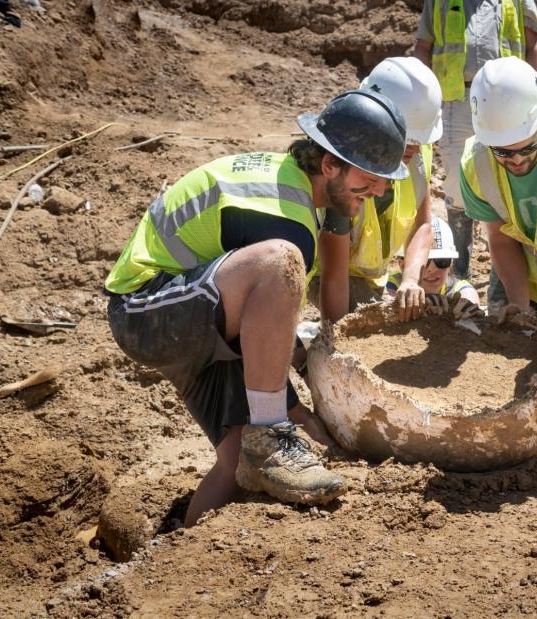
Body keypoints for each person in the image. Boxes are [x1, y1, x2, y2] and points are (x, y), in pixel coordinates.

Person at [103, 90, 409, 527]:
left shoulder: (293, 182)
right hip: (147, 310)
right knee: (279, 261)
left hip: (197, 315)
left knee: (235, 462)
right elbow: (266, 317)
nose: (380, 190)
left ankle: (174, 558)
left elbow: (262, 328)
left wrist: (292, 401)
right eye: (370, 177)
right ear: (329, 166)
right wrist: (285, 408)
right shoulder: (285, 218)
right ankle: (268, 435)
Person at [413, 0, 537, 282]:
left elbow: (532, 45)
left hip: (510, 106)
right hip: (457, 99)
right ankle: (458, 270)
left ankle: (506, 278)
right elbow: (424, 47)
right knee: (458, 185)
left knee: (505, 183)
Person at [312, 57, 443, 323]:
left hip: (372, 275)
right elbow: (334, 274)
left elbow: (422, 223)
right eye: (408, 141)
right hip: (327, 271)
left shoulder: (417, 152)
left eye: (420, 142)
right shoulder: (350, 162)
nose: (414, 149)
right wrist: (335, 340)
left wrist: (409, 279)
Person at [459, 57, 537, 322]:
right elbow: (501, 240)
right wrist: (521, 307)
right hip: (523, 266)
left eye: (528, 148)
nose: (517, 159)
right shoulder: (476, 166)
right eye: (503, 151)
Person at [384, 215, 483, 320]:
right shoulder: (390, 285)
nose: (432, 269)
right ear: (402, 265)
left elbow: (469, 297)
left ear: (450, 265)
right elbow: (383, 304)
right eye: (424, 261)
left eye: (442, 261)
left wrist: (467, 306)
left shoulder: (458, 288)